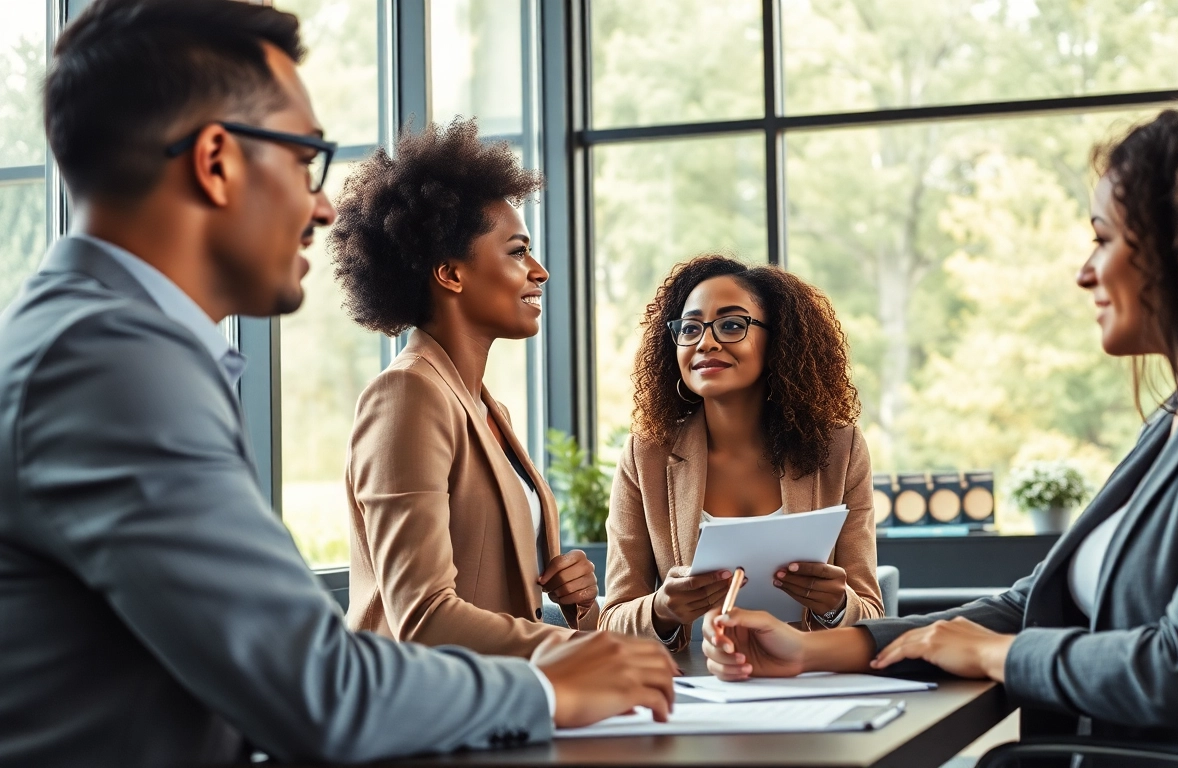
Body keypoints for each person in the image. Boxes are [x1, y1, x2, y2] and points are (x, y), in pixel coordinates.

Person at [0, 1, 675, 765]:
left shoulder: (105, 344)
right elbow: (319, 687)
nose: (322, 205)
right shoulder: (111, 363)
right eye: (302, 159)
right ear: (216, 160)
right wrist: (549, 688)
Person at [700, 78, 1178, 763]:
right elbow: (1033, 600)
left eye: (1103, 240)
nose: (1084, 273)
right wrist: (812, 649)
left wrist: (993, 655)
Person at [333, 120, 599, 657]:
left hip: (498, 703)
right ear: (451, 275)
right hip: (425, 717)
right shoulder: (407, 396)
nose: (540, 272)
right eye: (518, 251)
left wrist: (577, 603)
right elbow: (425, 617)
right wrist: (578, 649)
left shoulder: (480, 405)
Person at [600, 255, 883, 651]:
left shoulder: (840, 449)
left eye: (732, 325)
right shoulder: (645, 455)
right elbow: (612, 619)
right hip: (690, 691)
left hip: (809, 680)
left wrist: (836, 605)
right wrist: (661, 611)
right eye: (691, 328)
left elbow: (871, 613)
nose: (706, 342)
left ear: (779, 340)